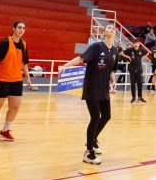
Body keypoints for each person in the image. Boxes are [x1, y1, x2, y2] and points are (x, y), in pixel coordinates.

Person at [60, 24, 120, 165]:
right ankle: (89, 153)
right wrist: (65, 66)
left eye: (112, 27)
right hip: (92, 87)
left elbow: (112, 70)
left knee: (106, 116)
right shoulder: (96, 47)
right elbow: (80, 59)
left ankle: (92, 140)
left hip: (104, 88)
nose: (110, 28)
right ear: (104, 32)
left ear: (115, 34)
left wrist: (113, 81)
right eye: (108, 27)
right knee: (95, 117)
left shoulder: (115, 51)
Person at [0, 21, 31, 142]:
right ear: (13, 29)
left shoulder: (24, 44)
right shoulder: (5, 42)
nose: (21, 30)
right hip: (2, 79)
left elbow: (25, 64)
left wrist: (27, 77)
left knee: (15, 106)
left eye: (24, 28)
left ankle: (5, 130)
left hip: (16, 80)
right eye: (19, 27)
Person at [120, 39, 150, 103]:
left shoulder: (141, 50)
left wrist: (142, 57)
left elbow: (148, 53)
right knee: (133, 84)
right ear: (133, 44)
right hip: (132, 68)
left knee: (140, 83)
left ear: (139, 44)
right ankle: (133, 97)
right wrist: (128, 57)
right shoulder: (130, 50)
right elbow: (121, 53)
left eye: (137, 43)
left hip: (139, 69)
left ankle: (140, 97)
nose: (136, 44)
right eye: (135, 43)